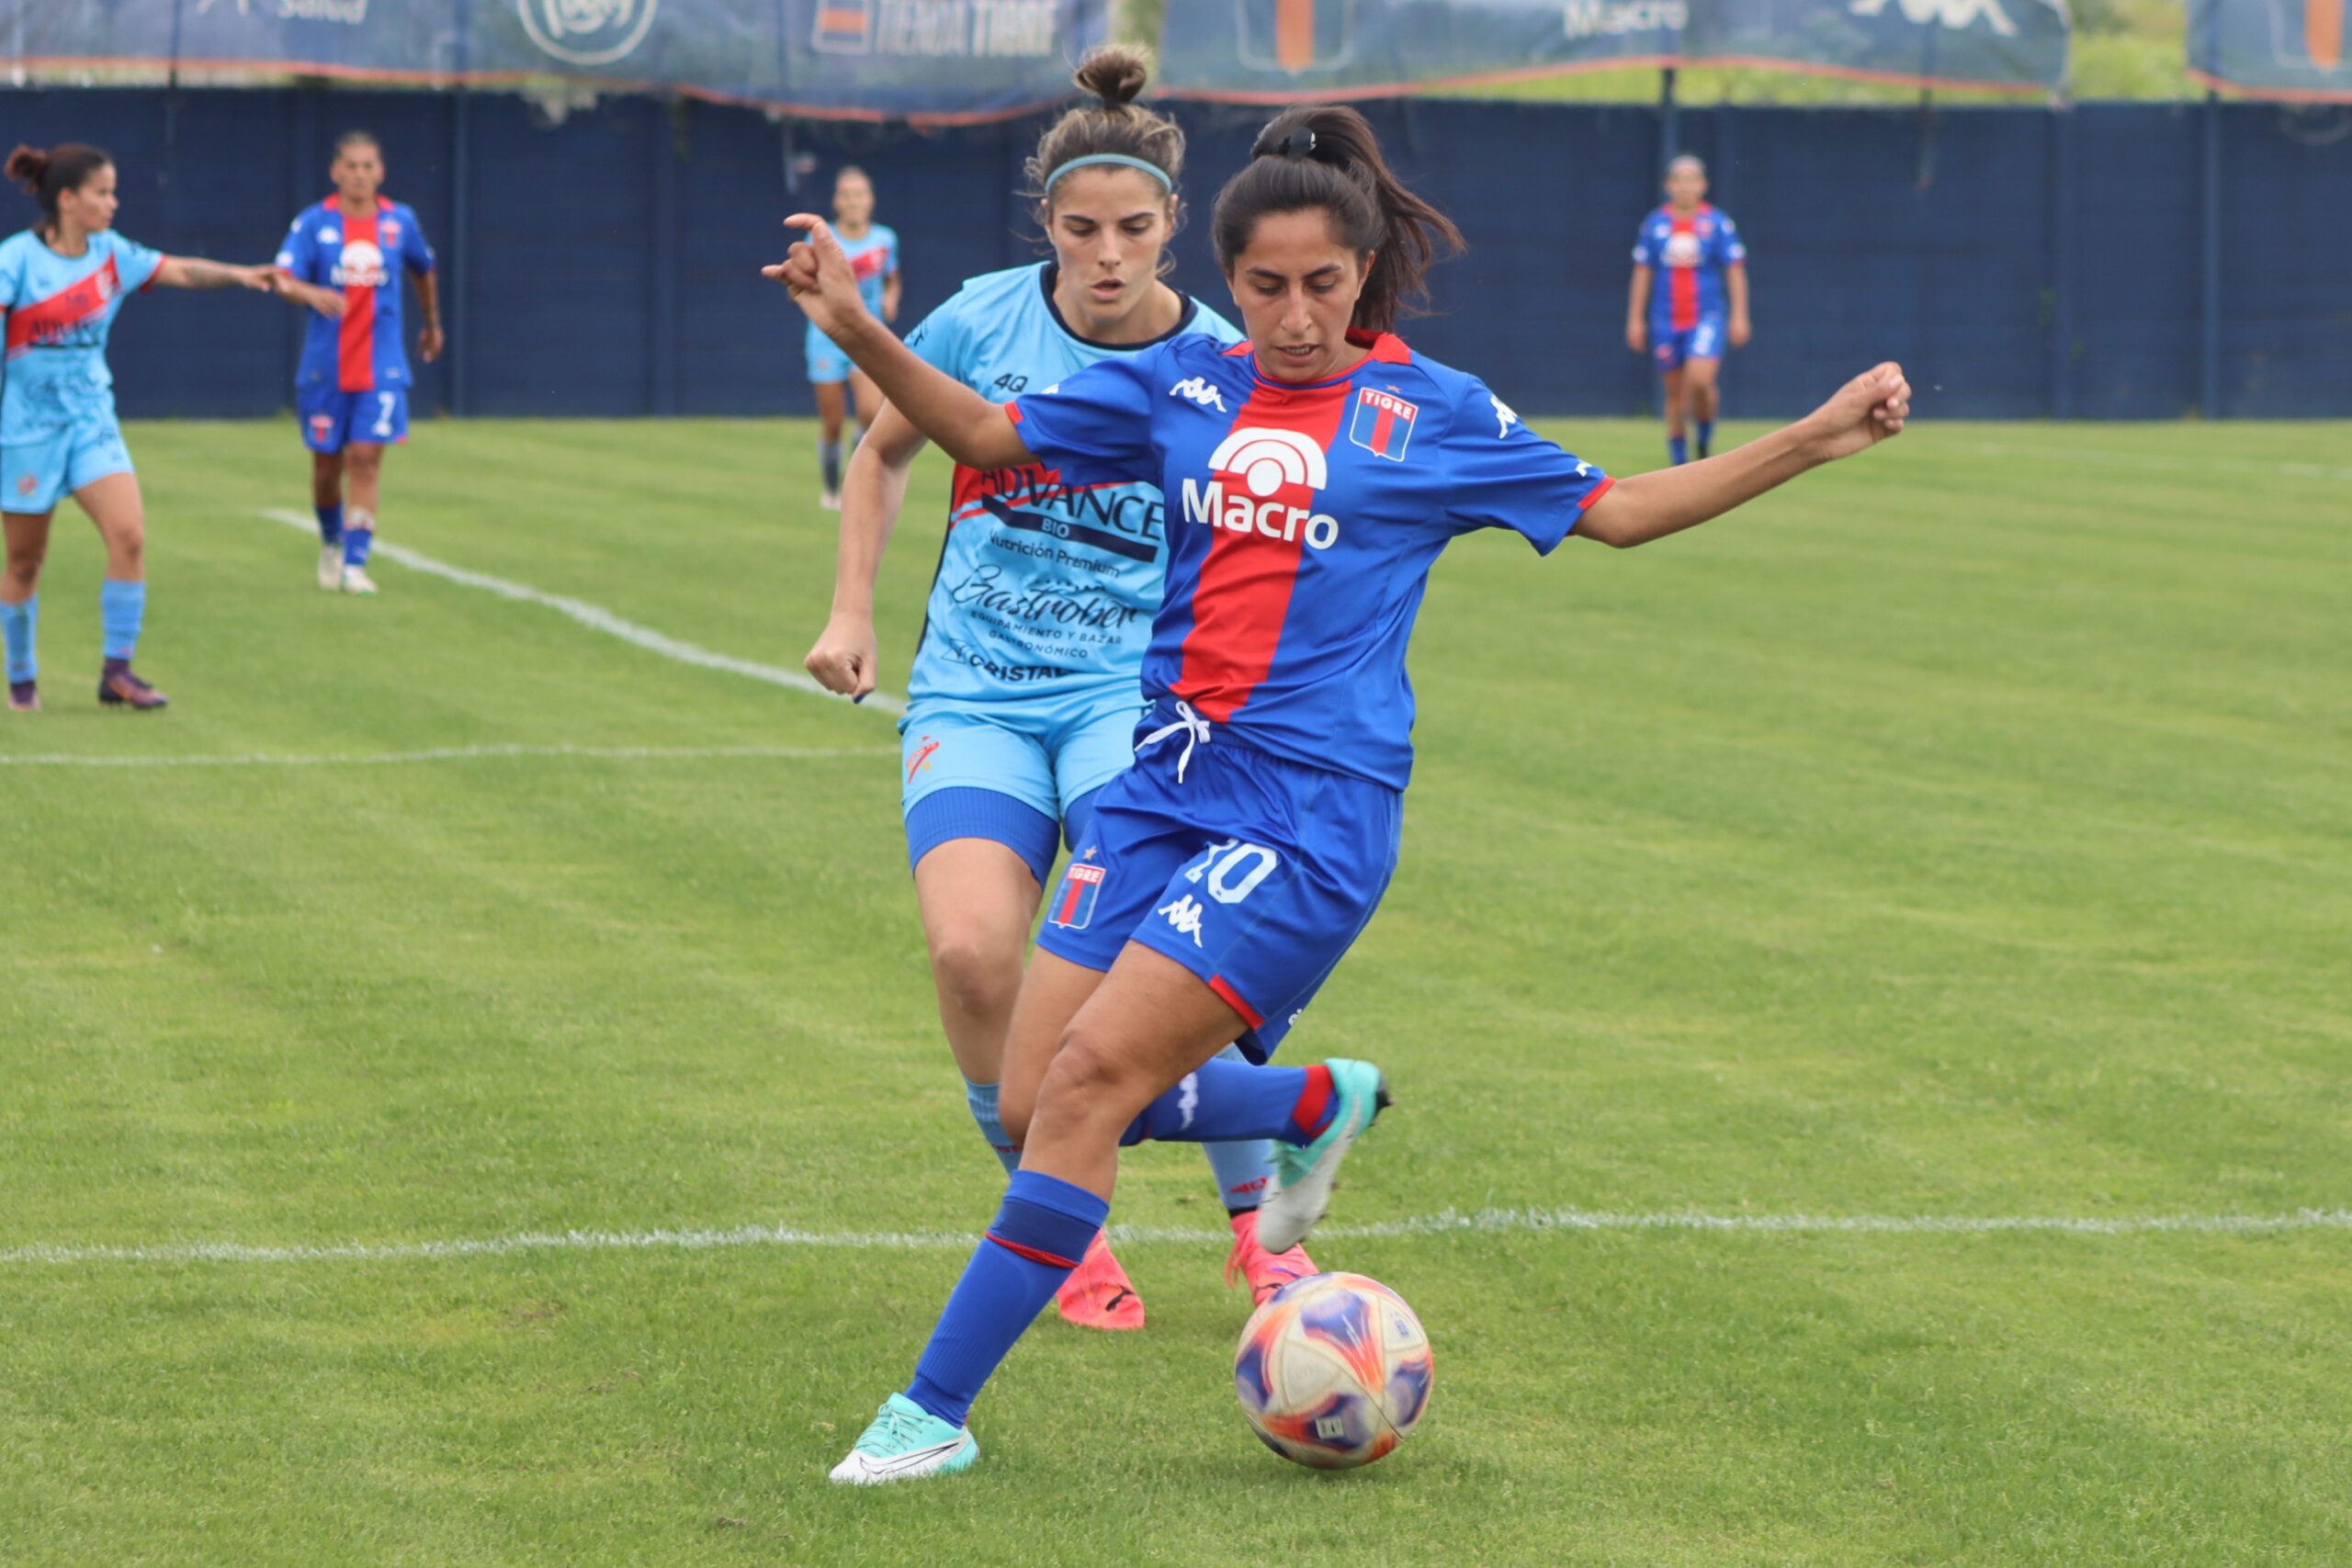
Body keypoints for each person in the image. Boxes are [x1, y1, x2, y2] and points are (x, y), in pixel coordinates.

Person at [771, 105, 1909, 1483]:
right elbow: (984, 435)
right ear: (1229, 277)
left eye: (1324, 284)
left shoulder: (1431, 413)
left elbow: (1615, 507)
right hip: (1161, 789)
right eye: (1266, 285)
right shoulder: (1181, 387)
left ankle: (929, 1411)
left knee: (1083, 1088)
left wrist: (1812, 438)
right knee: (1028, 1103)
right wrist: (857, 325)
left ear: (1365, 273)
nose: (1296, 314)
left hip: (1304, 819)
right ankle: (1308, 1096)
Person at [800, 48, 1314, 1333]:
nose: (1107, 253)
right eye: (1082, 228)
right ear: (1048, 226)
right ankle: (1052, 1211)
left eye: (1133, 229)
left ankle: (1265, 1237)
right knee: (975, 956)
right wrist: (851, 608)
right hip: (974, 691)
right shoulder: (980, 318)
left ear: (1171, 228)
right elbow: (883, 453)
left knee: (1168, 966)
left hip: (1132, 709)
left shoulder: (1219, 359)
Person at [1, 143, 290, 713]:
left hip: (92, 424)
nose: (114, 203)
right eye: (103, 192)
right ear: (67, 199)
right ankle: (21, 677)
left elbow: (179, 268)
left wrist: (240, 274)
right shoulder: (16, 259)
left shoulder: (111, 255)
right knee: (24, 562)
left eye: (113, 191)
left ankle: (117, 673)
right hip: (27, 431)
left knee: (129, 536)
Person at [272, 130, 442, 594]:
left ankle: (355, 564)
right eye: (352, 165)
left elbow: (423, 269)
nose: (360, 174)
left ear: (381, 172)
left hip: (381, 366)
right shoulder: (313, 222)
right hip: (325, 368)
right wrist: (312, 293)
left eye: (369, 166)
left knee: (365, 459)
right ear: (336, 171)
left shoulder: (399, 221)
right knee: (328, 468)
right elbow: (282, 279)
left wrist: (431, 322)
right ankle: (331, 539)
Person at [1626, 154, 1749, 466]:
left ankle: (1705, 437)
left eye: (1692, 178)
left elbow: (1734, 270)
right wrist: (1635, 319)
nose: (1685, 185)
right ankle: (1679, 461)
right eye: (1678, 179)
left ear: (1703, 185)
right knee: (1674, 392)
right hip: (1666, 319)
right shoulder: (1656, 224)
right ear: (1668, 185)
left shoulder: (1717, 223)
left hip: (1706, 317)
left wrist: (1739, 315)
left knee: (1699, 381)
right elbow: (1643, 273)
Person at [804, 166, 899, 511]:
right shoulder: (821, 238)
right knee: (832, 420)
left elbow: (892, 278)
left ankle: (854, 479)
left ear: (870, 200)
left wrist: (891, 299)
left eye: (860, 194)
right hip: (826, 335)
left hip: (866, 334)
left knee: (871, 413)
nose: (854, 201)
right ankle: (830, 488)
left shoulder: (885, 240)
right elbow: (802, 279)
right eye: (847, 195)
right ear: (837, 202)